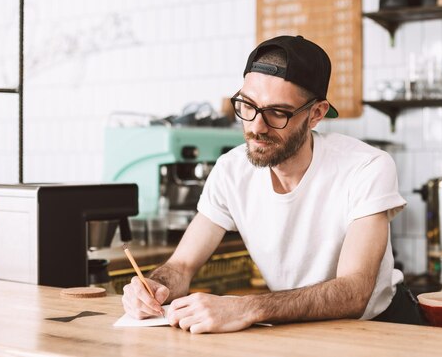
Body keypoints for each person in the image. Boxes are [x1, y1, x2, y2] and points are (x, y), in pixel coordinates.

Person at [121, 35, 414, 334]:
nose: (256, 127)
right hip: (294, 330)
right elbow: (181, 266)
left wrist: (247, 307)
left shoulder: (366, 167)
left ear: (316, 114)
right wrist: (156, 286)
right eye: (246, 106)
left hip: (379, 329)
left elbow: (354, 293)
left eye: (277, 112)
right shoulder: (231, 171)